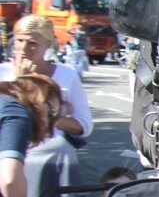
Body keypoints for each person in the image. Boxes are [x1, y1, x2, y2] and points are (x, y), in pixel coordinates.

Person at [0, 15, 93, 147]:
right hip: (9, 150)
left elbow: (84, 125)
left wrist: (51, 117)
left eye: (32, 43)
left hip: (50, 155)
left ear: (48, 44)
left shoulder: (67, 75)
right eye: (19, 40)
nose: (24, 48)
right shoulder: (2, 72)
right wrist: (21, 81)